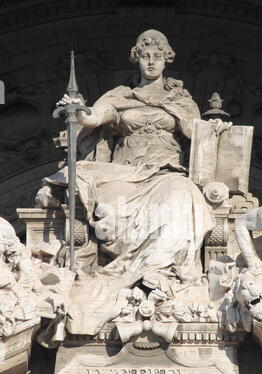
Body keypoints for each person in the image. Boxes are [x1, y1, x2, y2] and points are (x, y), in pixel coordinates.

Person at [36, 30, 230, 333]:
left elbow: (196, 132)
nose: (151, 61)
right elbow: (93, 117)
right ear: (136, 58)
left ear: (167, 60)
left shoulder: (180, 99)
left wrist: (213, 127)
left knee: (182, 195)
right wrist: (76, 110)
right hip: (123, 173)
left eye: (157, 56)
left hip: (166, 173)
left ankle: (158, 273)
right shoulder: (119, 96)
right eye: (145, 55)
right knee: (100, 189)